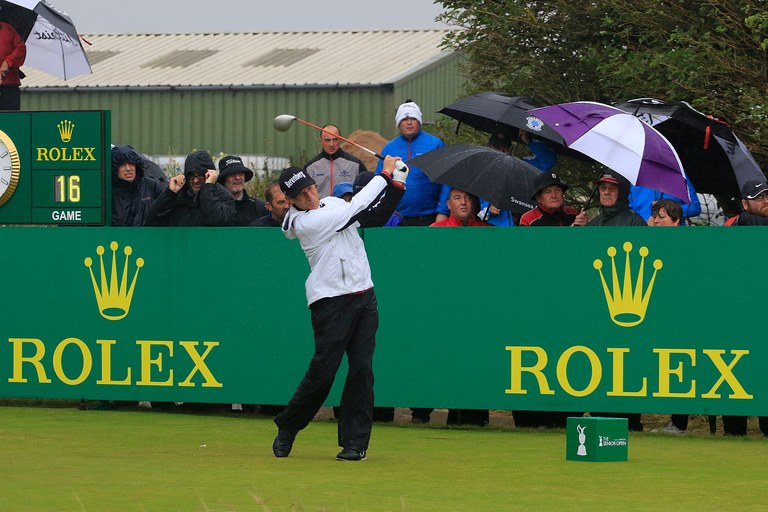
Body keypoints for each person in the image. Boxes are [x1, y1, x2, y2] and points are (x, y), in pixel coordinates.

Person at [271, 156, 407, 461]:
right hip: (330, 303)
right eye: (301, 196)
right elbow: (356, 207)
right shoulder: (305, 223)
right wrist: (383, 175)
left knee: (362, 370)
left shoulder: (331, 204)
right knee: (323, 374)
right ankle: (288, 428)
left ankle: (355, 443)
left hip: (364, 297)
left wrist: (398, 184)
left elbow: (372, 216)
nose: (310, 195)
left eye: (309, 188)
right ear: (291, 202)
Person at [412, 188, 491, 427]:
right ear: (448, 203)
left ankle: (474, 416)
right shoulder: (435, 232)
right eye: (458, 198)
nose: (464, 202)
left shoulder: (490, 233)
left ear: (476, 203)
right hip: (442, 312)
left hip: (477, 313)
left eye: (468, 197)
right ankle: (420, 412)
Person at [587, 172, 645, 431]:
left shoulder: (635, 223)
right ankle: (600, 412)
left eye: (612, 188)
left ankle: (631, 420)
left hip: (627, 310)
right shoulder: (592, 224)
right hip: (596, 309)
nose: (606, 192)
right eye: (602, 188)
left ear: (621, 191)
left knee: (627, 364)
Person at [722, 179, 768, 436]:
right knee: (734, 370)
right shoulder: (737, 222)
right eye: (759, 197)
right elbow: (744, 222)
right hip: (737, 314)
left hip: (763, 313)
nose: (766, 201)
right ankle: (734, 429)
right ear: (745, 203)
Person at [376, 100, 450, 225]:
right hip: (396, 217)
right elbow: (380, 180)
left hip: (429, 217)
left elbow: (446, 180)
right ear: (399, 123)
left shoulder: (435, 144)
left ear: (419, 121)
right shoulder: (389, 149)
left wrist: (442, 212)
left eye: (413, 118)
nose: (409, 122)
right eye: (404, 119)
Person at [146, 150, 235, 226]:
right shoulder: (178, 196)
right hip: (181, 245)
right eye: (191, 176)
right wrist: (170, 193)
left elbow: (217, 221)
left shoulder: (224, 197)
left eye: (200, 176)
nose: (196, 180)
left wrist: (208, 188)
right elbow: (151, 221)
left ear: (209, 175)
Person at [303, 124, 367, 198]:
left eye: (335, 139)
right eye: (327, 140)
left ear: (340, 139)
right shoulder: (310, 167)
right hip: (320, 209)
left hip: (347, 208)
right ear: (321, 141)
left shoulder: (356, 165)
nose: (331, 144)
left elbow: (365, 193)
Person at [111, 145, 166, 227]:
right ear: (115, 169)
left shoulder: (151, 185)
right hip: (119, 239)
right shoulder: (109, 191)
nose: (128, 169)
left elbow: (165, 212)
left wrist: (171, 193)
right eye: (123, 165)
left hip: (148, 238)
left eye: (131, 163)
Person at [519, 172, 588, 227]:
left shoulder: (573, 214)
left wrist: (585, 228)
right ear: (538, 198)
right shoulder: (528, 220)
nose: (554, 195)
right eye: (547, 192)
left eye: (557, 190)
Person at [217, 155, 267, 226]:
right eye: (232, 174)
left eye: (241, 174)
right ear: (223, 179)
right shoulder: (215, 207)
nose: (237, 178)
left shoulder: (260, 207)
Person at [629, 181, 701, 224]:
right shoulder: (635, 178)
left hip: (671, 237)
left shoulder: (679, 176)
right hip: (641, 234)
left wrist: (669, 210)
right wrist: (642, 223)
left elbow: (695, 207)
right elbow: (627, 210)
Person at [0, 21, 25, 111]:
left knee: (11, 122)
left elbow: (21, 48)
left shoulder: (8, 29)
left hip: (9, 87)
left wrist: (8, 62)